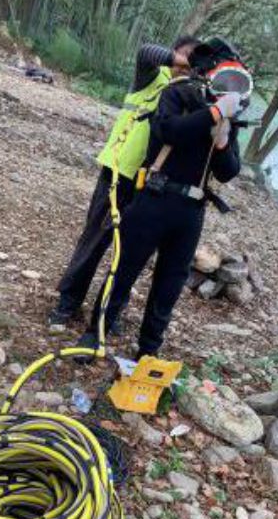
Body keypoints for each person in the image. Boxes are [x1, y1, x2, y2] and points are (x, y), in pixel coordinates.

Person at [78, 38, 246, 359]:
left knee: (169, 285)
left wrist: (223, 140)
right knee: (124, 269)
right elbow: (169, 131)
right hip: (155, 197)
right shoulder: (177, 94)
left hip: (191, 210)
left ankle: (149, 350)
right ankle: (93, 335)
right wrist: (211, 115)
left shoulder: (228, 118)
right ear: (207, 74)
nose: (229, 89)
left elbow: (228, 172)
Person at [48, 36, 201, 329]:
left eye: (195, 62)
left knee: (129, 255)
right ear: (176, 54)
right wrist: (185, 64)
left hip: (151, 185)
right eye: (186, 57)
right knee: (94, 241)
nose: (189, 66)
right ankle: (68, 303)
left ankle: (108, 314)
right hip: (118, 174)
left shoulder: (191, 95)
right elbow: (146, 51)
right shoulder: (152, 77)